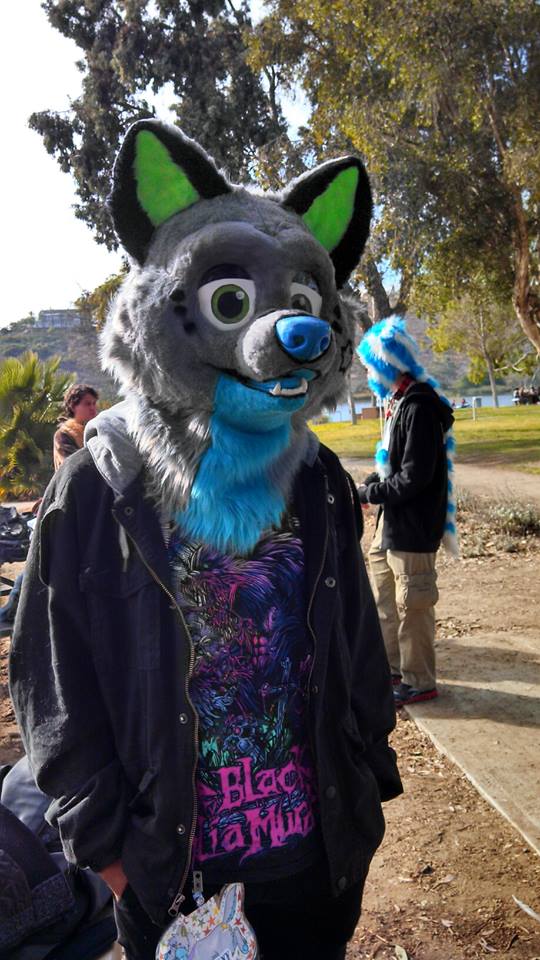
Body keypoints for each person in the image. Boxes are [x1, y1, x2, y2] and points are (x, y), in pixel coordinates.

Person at [10, 120, 402, 960]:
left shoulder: (318, 480)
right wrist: (114, 860)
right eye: (232, 301)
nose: (290, 332)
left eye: (304, 304)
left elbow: (358, 643)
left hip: (318, 868)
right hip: (172, 882)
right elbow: (52, 681)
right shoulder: (95, 491)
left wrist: (369, 776)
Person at [357, 317, 457, 709]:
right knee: (385, 601)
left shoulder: (420, 408)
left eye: (371, 368)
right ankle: (393, 671)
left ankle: (419, 681)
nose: (369, 376)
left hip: (413, 528)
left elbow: (415, 476)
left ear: (388, 365)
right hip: (390, 525)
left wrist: (371, 493)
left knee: (413, 604)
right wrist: (367, 485)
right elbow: (392, 466)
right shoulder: (397, 404)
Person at [53, 383, 99, 469]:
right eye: (87, 404)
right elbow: (73, 466)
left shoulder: (97, 431)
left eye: (94, 403)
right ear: (73, 406)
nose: (92, 408)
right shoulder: (64, 434)